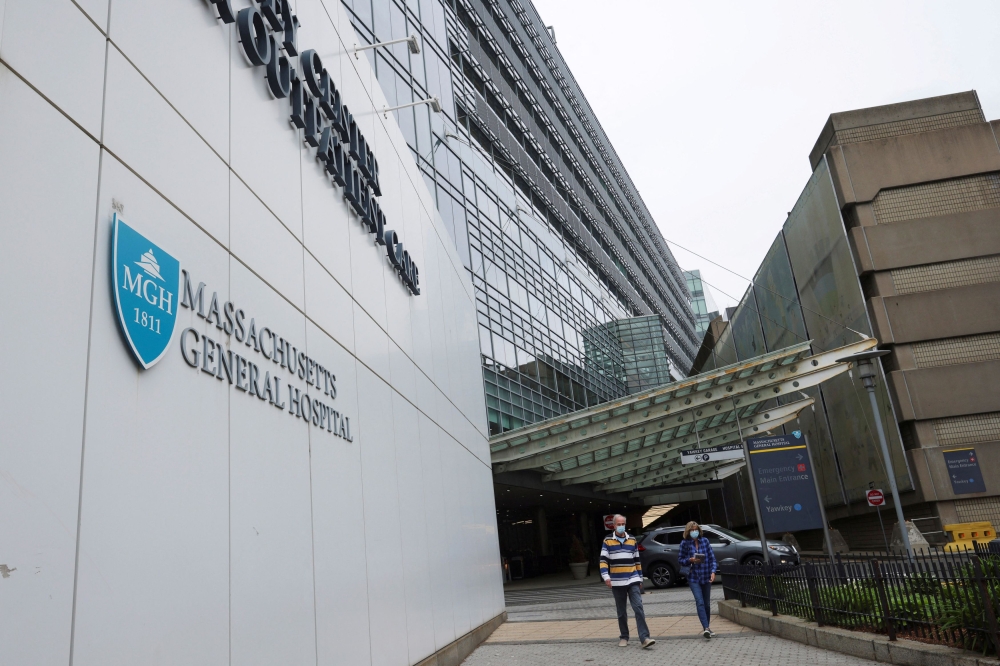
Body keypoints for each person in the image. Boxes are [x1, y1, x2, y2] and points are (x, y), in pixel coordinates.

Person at [600, 515, 655, 648]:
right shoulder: (607, 540)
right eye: (619, 524)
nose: (621, 526)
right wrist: (606, 577)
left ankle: (644, 638)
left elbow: (637, 560)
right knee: (621, 611)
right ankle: (624, 636)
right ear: (613, 525)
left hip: (633, 578)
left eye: (623, 523)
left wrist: (640, 578)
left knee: (638, 608)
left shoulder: (632, 539)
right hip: (617, 581)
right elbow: (603, 561)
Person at [678, 521, 717, 638]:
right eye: (692, 530)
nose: (694, 532)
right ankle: (706, 627)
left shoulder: (705, 541)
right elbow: (680, 560)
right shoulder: (685, 543)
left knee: (707, 604)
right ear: (688, 531)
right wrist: (690, 560)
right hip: (693, 576)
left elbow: (712, 559)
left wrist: (713, 572)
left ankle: (707, 627)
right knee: (699, 602)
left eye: (696, 530)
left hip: (706, 575)